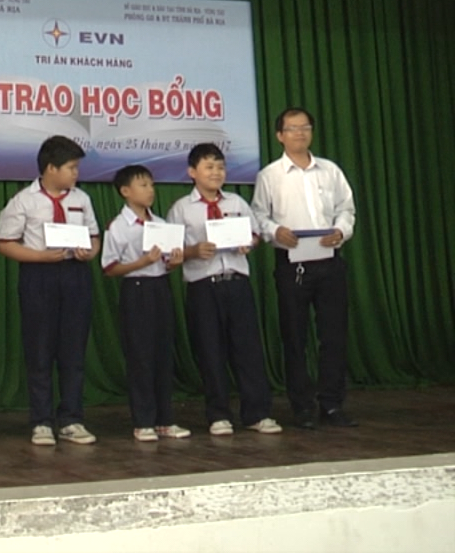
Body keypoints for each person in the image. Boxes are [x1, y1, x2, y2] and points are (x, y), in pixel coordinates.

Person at [251, 108, 357, 429]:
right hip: (291, 264)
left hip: (330, 261)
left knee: (333, 336)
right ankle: (302, 407)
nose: (300, 133)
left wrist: (341, 231)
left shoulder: (330, 170)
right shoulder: (270, 175)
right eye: (292, 128)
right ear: (279, 135)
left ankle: (331, 404)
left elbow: (346, 209)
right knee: (295, 338)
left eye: (305, 127)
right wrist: (275, 231)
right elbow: (259, 215)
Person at [166, 143, 281, 436]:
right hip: (203, 287)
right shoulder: (181, 208)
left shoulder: (237, 202)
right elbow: (170, 250)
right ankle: (218, 415)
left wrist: (248, 243)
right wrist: (193, 251)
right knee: (210, 351)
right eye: (209, 167)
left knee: (248, 350)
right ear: (192, 172)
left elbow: (255, 235)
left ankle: (257, 413)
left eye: (220, 167)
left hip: (237, 282)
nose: (216, 172)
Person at [0, 135, 100, 446]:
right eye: (71, 167)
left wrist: (90, 252)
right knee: (39, 349)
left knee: (73, 349)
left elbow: (94, 237)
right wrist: (39, 256)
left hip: (75, 274)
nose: (76, 173)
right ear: (51, 168)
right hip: (38, 275)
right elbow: (5, 243)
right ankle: (41, 421)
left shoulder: (82, 199)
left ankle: (72, 419)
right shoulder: (24, 201)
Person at [100, 164, 190, 442]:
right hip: (136, 290)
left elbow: (167, 262)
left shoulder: (160, 224)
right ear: (125, 191)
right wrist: (142, 262)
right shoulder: (118, 226)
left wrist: (174, 262)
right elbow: (109, 268)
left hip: (160, 288)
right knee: (140, 356)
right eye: (143, 185)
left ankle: (165, 420)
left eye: (151, 185)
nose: (150, 190)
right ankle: (143, 421)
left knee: (163, 353)